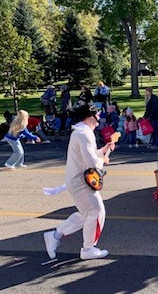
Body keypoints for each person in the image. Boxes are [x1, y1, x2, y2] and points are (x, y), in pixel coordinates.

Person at [43, 104, 116, 261]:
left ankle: (55, 236)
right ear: (89, 117)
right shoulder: (84, 134)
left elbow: (88, 156)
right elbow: (91, 162)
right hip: (80, 182)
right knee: (96, 211)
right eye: (97, 115)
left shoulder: (82, 132)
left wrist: (103, 150)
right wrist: (103, 159)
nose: (99, 118)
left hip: (77, 181)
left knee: (87, 214)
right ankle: (88, 249)